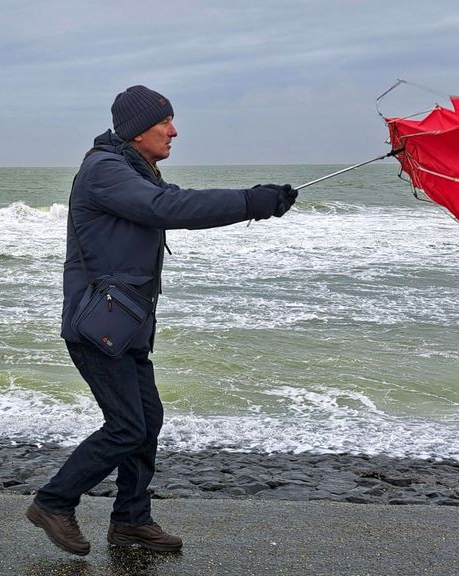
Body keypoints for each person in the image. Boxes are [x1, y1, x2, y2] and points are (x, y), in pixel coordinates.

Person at [26, 85, 296, 556]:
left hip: (126, 324)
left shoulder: (135, 168)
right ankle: (53, 501)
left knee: (147, 419)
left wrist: (262, 201)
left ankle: (131, 520)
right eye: (164, 123)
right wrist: (252, 202)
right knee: (127, 426)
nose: (174, 131)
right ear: (135, 132)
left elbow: (172, 199)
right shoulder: (105, 170)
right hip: (98, 327)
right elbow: (168, 209)